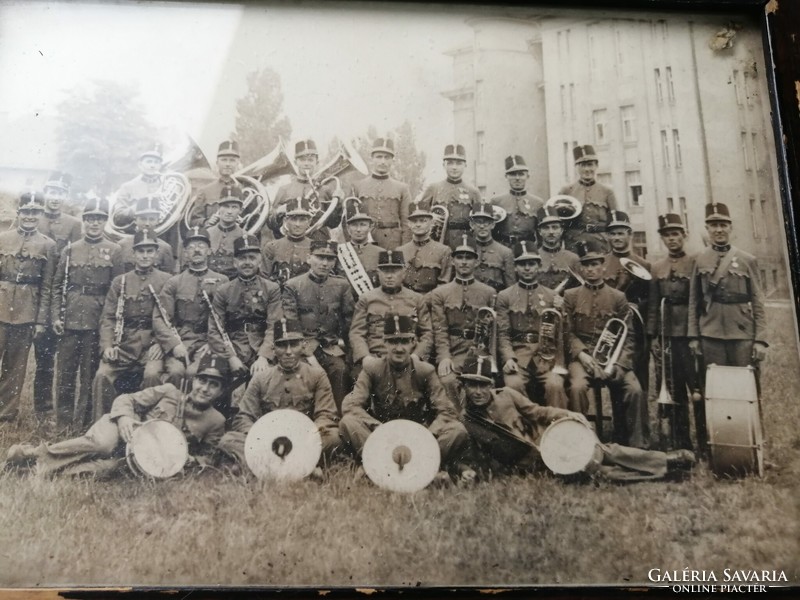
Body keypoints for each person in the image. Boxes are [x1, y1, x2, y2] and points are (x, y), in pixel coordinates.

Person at [458, 356, 695, 481]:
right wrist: (467, 470)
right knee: (595, 472)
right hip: (533, 463)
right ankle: (660, 473)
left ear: (491, 385)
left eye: (483, 385)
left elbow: (539, 412)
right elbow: (470, 457)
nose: (478, 392)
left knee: (603, 450)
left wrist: (569, 413)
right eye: (472, 386)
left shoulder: (507, 394)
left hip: (548, 440)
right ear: (464, 387)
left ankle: (665, 460)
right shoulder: (468, 421)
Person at [5, 353, 229, 478]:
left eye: (213, 385)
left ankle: (36, 471)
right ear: (194, 380)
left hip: (145, 456)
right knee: (101, 445)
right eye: (202, 381)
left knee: (107, 469)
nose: (204, 388)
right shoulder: (170, 392)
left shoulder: (216, 421)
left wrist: (191, 460)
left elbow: (208, 459)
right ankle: (33, 453)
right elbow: (126, 400)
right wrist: (124, 419)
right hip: (121, 430)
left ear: (221, 391)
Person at [339, 314, 473, 481]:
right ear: (384, 343)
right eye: (393, 342)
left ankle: (388, 467)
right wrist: (378, 427)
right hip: (383, 436)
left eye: (404, 341)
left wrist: (427, 433)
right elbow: (351, 406)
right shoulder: (372, 368)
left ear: (413, 342)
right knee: (348, 422)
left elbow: (446, 410)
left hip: (418, 438)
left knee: (457, 430)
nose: (399, 348)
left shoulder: (425, 370)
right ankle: (390, 465)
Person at [217, 319, 340, 472]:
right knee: (228, 440)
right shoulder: (261, 378)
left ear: (303, 346)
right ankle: (303, 468)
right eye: (282, 345)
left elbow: (326, 414)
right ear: (274, 349)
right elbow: (244, 416)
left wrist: (311, 433)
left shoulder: (316, 375)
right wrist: (258, 436)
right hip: (269, 440)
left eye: (293, 344)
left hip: (303, 438)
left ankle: (265, 467)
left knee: (333, 437)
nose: (288, 351)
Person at [563, 240, 649, 449]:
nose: (591, 269)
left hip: (614, 359)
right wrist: (582, 355)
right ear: (581, 268)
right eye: (587, 265)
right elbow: (567, 332)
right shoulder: (570, 296)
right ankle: (580, 443)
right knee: (577, 387)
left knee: (635, 389)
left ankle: (637, 447)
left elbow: (628, 336)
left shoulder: (619, 297)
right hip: (582, 359)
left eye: (596, 264)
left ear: (603, 267)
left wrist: (619, 365)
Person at [51, 198, 123, 431]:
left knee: (90, 374)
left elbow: (118, 289)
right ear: (84, 221)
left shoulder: (115, 250)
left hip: (97, 319)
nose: (94, 223)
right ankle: (63, 422)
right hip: (70, 318)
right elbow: (57, 285)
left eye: (99, 219)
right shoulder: (70, 250)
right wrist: (55, 317)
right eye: (90, 218)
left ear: (105, 221)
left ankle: (84, 423)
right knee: (65, 373)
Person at [91, 229, 171, 421]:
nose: (145, 256)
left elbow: (170, 318)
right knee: (103, 375)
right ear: (133, 254)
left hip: (151, 345)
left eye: (149, 251)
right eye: (141, 251)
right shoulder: (121, 281)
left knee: (152, 374)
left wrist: (161, 344)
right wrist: (108, 346)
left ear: (156, 253)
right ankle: (103, 424)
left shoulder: (166, 280)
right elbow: (108, 317)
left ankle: (146, 426)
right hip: (124, 345)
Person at [208, 234, 283, 413]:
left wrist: (264, 356)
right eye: (242, 258)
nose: (247, 262)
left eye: (252, 258)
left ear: (259, 260)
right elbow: (214, 330)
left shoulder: (271, 289)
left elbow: (275, 325)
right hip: (233, 346)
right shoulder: (224, 290)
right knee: (218, 379)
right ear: (235, 262)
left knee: (271, 379)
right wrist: (231, 357)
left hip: (261, 345)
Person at [688, 202, 768, 369]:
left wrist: (760, 339)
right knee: (714, 385)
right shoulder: (698, 259)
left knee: (747, 384)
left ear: (730, 228)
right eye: (714, 225)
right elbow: (693, 300)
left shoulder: (747, 260)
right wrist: (694, 336)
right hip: (710, 333)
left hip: (742, 332)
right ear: (707, 229)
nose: (719, 230)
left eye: (723, 225)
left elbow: (758, 301)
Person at [0, 192, 57, 422]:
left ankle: (6, 414)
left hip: (26, 312)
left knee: (16, 367)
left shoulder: (48, 245)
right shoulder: (3, 238)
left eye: (35, 212)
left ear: (41, 214)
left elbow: (47, 286)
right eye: (26, 211)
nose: (30, 216)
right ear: (19, 212)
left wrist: (41, 320)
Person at [647, 213, 700, 451]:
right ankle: (682, 443)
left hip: (690, 336)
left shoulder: (695, 263)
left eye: (676, 234)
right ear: (662, 239)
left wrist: (696, 335)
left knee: (697, 389)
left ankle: (705, 441)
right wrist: (654, 337)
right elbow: (652, 305)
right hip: (667, 336)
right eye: (667, 235)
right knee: (674, 390)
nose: (672, 239)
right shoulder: (656, 267)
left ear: (684, 236)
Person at [282, 240, 355, 412]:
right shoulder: (293, 285)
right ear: (309, 258)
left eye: (330, 259)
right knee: (301, 375)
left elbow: (349, 322)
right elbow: (291, 324)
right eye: (320, 257)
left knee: (341, 371)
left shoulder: (341, 285)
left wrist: (351, 354)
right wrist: (305, 352)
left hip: (330, 348)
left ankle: (337, 417)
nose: (324, 263)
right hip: (302, 348)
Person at [496, 241, 570, 409]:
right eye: (522, 264)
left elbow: (561, 334)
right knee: (513, 386)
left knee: (555, 386)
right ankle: (522, 432)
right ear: (515, 268)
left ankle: (556, 429)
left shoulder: (551, 296)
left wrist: (562, 312)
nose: (527, 268)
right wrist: (508, 358)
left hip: (546, 358)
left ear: (538, 266)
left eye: (531, 264)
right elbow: (503, 333)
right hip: (518, 357)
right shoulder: (505, 296)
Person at [153, 226, 229, 390]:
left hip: (209, 341)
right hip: (182, 340)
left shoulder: (222, 281)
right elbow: (160, 317)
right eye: (191, 247)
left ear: (209, 250)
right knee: (175, 372)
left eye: (201, 246)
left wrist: (212, 343)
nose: (196, 250)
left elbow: (227, 318)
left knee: (197, 373)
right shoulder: (175, 282)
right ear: (185, 253)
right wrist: (174, 344)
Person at [34, 172, 82, 418]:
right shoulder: (33, 216)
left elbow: (74, 259)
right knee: (33, 356)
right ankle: (37, 407)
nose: (55, 198)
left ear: (66, 196)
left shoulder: (73, 224)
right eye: (51, 191)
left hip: (58, 294)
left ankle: (46, 409)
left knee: (50, 357)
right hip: (33, 294)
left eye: (60, 193)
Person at [430, 235, 496, 409]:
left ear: (476, 261)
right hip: (455, 351)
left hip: (480, 353)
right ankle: (457, 422)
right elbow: (440, 328)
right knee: (447, 379)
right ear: (452, 261)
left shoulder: (488, 292)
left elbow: (495, 331)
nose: (464, 262)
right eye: (460, 257)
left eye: (469, 257)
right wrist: (444, 356)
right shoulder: (440, 293)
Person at [349, 250, 433, 375]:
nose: (389, 276)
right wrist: (365, 357)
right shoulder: (367, 299)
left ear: (404, 273)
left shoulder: (416, 299)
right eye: (385, 271)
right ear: (378, 273)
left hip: (408, 359)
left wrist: (416, 356)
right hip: (375, 357)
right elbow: (356, 333)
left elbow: (427, 333)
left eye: (394, 271)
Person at [602, 210, 651, 399]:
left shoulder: (643, 264)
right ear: (607, 236)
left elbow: (650, 298)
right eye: (613, 233)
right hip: (612, 327)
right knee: (616, 373)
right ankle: (620, 426)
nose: (617, 237)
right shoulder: (603, 263)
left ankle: (642, 424)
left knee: (639, 375)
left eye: (621, 232)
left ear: (630, 234)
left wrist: (639, 307)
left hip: (636, 328)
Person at [265, 138, 341, 238]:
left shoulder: (325, 189)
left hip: (318, 243)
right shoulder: (284, 190)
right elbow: (271, 224)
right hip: (291, 243)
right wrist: (279, 212)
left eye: (310, 160)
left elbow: (334, 223)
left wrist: (338, 202)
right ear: (295, 162)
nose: (306, 163)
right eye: (302, 159)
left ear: (316, 162)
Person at [350, 137, 412, 250]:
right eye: (379, 157)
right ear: (371, 159)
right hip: (365, 241)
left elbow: (407, 222)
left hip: (393, 242)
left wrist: (405, 248)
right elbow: (349, 220)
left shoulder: (402, 188)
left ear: (392, 160)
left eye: (387, 157)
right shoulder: (357, 186)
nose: (383, 161)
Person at [417, 143, 481, 250]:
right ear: (444, 165)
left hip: (465, 243)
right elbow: (418, 214)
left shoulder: (473, 191)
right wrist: (429, 217)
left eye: (459, 163)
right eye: (450, 163)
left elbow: (480, 221)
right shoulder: (433, 188)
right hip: (438, 242)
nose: (454, 167)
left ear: (465, 165)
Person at [560, 145, 617, 253]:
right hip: (574, 244)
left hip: (600, 243)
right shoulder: (566, 191)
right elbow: (560, 222)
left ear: (596, 166)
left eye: (590, 165)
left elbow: (615, 222)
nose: (587, 169)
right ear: (576, 167)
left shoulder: (607, 192)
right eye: (582, 165)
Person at [397, 201, 453, 295]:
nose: (418, 224)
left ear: (431, 223)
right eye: (414, 221)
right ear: (409, 224)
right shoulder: (400, 251)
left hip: (431, 302)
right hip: (405, 302)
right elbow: (397, 283)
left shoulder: (443, 251)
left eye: (423, 220)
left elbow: (444, 284)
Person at [493, 155, 544, 249]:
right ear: (506, 176)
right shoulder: (496, 202)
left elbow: (542, 234)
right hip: (503, 248)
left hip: (529, 250)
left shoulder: (538, 203)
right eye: (512, 174)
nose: (517, 178)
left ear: (527, 176)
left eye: (521, 174)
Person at [187, 140, 241, 229]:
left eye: (232, 160)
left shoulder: (246, 189)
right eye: (224, 160)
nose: (228, 164)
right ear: (217, 163)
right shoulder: (205, 190)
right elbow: (193, 220)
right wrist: (206, 221)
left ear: (238, 163)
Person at [335, 197, 384, 294]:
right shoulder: (339, 252)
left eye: (363, 225)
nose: (358, 229)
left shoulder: (380, 252)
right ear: (348, 228)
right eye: (354, 225)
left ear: (370, 227)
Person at [261, 197, 315, 286]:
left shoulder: (315, 247)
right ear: (285, 221)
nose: (297, 224)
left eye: (302, 220)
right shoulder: (272, 247)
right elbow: (264, 280)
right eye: (293, 219)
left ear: (309, 222)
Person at [117, 196, 176, 274]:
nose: (147, 223)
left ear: (158, 221)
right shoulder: (122, 245)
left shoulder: (165, 248)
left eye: (151, 219)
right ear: (135, 220)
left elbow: (168, 278)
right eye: (143, 219)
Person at [112, 145, 165, 232]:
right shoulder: (127, 187)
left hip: (163, 235)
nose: (152, 165)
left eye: (156, 162)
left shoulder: (166, 185)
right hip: (134, 235)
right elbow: (118, 217)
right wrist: (141, 204)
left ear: (160, 166)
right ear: (140, 165)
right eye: (149, 162)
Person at [469, 201, 516, 293]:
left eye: (486, 222)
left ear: (493, 225)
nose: (482, 226)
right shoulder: (467, 250)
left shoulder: (505, 252)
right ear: (472, 225)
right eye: (478, 222)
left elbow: (510, 286)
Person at [535, 205, 581, 292]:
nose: (551, 232)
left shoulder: (573, 258)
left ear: (561, 230)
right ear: (540, 232)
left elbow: (579, 289)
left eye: (555, 227)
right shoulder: (534, 257)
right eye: (546, 228)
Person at [205, 184, 246, 280]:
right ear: (218, 208)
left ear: (240, 210)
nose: (229, 211)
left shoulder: (245, 236)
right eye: (226, 206)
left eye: (234, 207)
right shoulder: (207, 233)